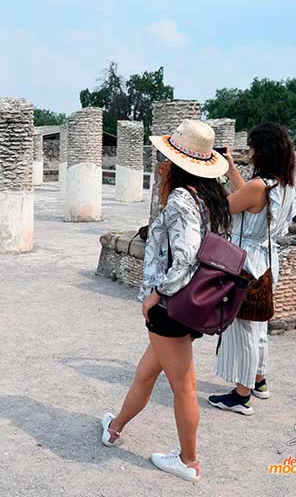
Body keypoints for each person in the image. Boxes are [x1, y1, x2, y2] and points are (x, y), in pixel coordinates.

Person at [102, 120, 230, 482]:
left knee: (183, 386)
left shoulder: (181, 199)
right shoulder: (210, 198)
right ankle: (115, 427)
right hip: (191, 303)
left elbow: (187, 256)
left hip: (170, 305)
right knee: (146, 374)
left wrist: (156, 295)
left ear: (175, 162)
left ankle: (189, 461)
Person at [209, 123, 296, 415]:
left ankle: (241, 394)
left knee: (243, 328)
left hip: (245, 262)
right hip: (267, 262)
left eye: (251, 147)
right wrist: (232, 170)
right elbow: (249, 195)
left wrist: (207, 176)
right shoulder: (283, 187)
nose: (249, 152)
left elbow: (223, 208)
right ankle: (259, 380)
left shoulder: (259, 187)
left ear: (262, 151)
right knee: (258, 325)